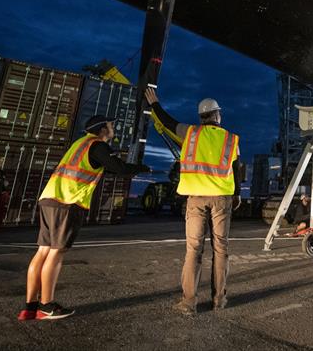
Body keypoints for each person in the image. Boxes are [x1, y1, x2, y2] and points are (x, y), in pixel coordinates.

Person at [17, 115, 149, 321]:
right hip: (67, 202)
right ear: (102, 129)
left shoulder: (80, 144)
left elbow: (105, 169)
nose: (113, 127)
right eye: (110, 125)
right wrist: (143, 168)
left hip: (49, 198)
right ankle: (46, 306)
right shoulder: (98, 146)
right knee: (56, 253)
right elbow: (120, 168)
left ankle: (29, 307)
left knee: (42, 251)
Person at [145, 88, 241, 314]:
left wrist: (155, 104)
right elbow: (236, 171)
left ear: (201, 118)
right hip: (221, 200)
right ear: (218, 115)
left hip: (196, 199)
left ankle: (189, 302)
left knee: (194, 249)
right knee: (221, 249)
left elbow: (168, 122)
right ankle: (219, 299)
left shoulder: (190, 133)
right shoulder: (231, 139)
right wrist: (236, 194)